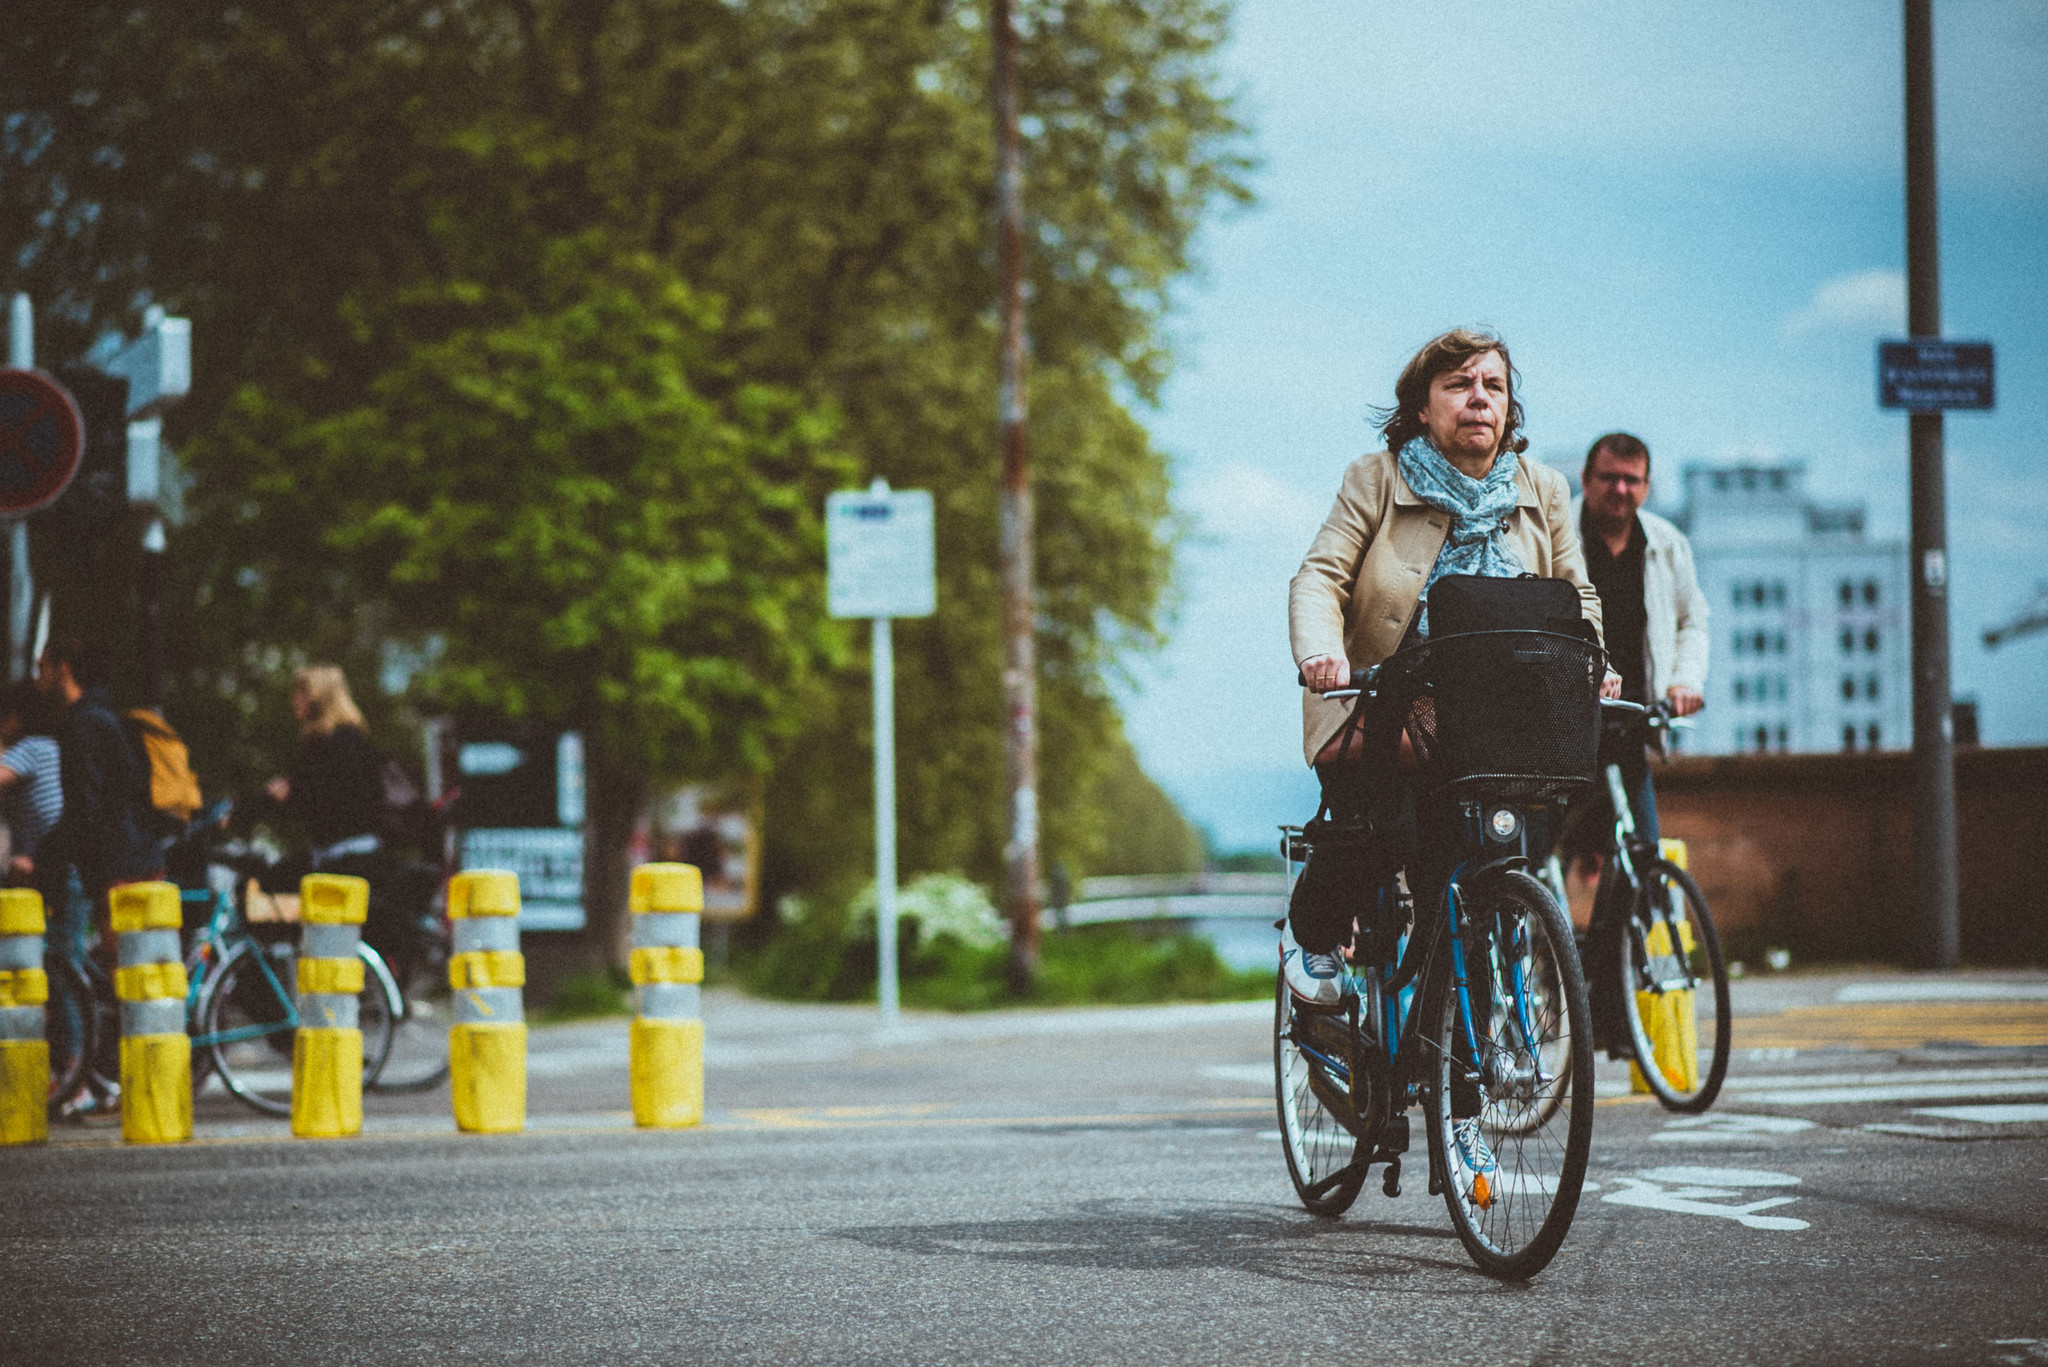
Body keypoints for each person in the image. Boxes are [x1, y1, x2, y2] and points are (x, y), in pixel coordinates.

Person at [1286, 327, 1616, 1206]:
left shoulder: (1543, 490)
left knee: (1464, 904)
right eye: (1460, 383)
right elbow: (1320, 576)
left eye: (1494, 385)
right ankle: (1313, 943)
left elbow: (1576, 591)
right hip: (1387, 700)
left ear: (1510, 407)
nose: (1480, 398)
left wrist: (1596, 657)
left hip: (1497, 717)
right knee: (1374, 824)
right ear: (1423, 405)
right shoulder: (1378, 478)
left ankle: (1459, 1115)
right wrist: (1321, 651)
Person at [1567, 431, 1709, 855]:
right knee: (1538, 858)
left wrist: (1685, 682)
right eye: (1609, 477)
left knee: (1643, 855)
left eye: (1632, 480)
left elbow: (1694, 620)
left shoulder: (1668, 544)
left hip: (1632, 722)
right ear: (1586, 479)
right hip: (1564, 726)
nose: (1620, 489)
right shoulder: (1558, 537)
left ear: (1647, 486)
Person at [34, 638, 164, 946]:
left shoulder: (83, 724)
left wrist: (41, 856)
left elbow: (85, 808)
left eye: (42, 668)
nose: (37, 679)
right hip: (140, 856)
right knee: (138, 966)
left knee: (124, 966)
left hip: (119, 864)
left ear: (63, 669)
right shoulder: (105, 715)